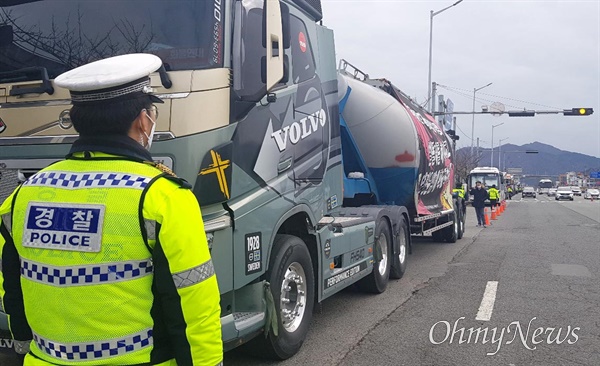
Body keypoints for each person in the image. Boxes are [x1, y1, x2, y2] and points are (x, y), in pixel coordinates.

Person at [0, 54, 223, 365]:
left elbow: (11, 282)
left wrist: (23, 342)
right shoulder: (161, 196)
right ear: (143, 121)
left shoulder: (24, 194)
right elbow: (193, 307)